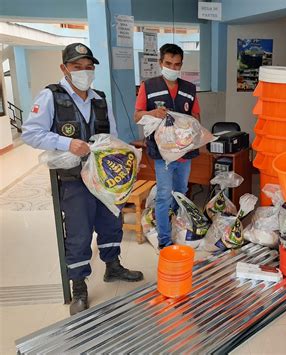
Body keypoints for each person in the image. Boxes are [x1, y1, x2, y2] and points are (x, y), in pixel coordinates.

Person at [22, 43, 144, 316]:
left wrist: (128, 156)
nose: (84, 73)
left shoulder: (100, 99)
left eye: (88, 68)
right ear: (64, 69)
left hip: (104, 178)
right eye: (77, 67)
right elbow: (30, 133)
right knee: (79, 232)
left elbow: (111, 137)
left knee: (111, 222)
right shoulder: (51, 97)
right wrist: (66, 143)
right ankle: (79, 286)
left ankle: (113, 267)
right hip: (74, 179)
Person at [134, 43, 201, 250]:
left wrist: (195, 133)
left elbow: (196, 117)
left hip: (183, 153)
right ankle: (164, 240)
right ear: (160, 62)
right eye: (168, 63)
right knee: (164, 194)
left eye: (177, 64)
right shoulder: (149, 86)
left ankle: (178, 228)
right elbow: (137, 116)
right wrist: (153, 114)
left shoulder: (189, 89)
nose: (173, 67)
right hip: (162, 154)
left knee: (181, 192)